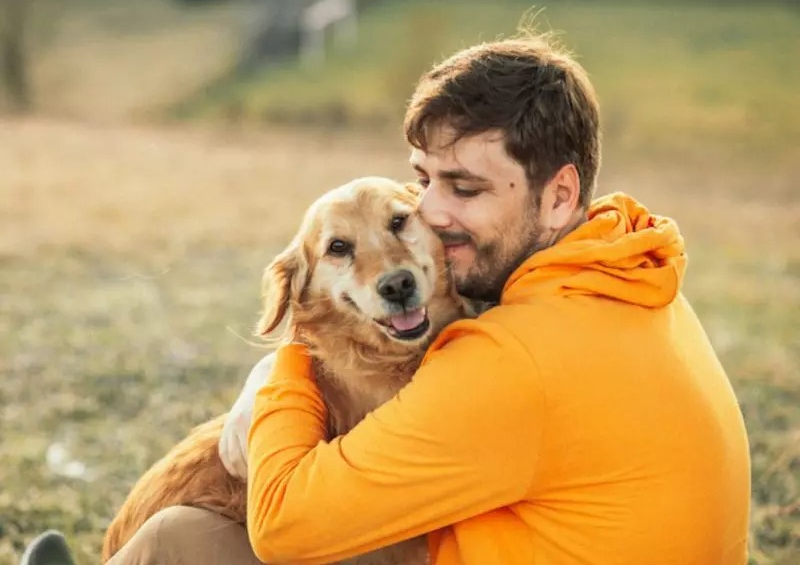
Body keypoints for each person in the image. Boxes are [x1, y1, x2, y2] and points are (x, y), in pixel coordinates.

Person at [21, 31, 751, 565]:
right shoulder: (628, 273)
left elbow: (283, 524)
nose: (430, 213)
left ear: (559, 195)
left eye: (464, 188)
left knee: (179, 540)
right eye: (424, 180)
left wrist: (283, 371)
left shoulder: (510, 365)